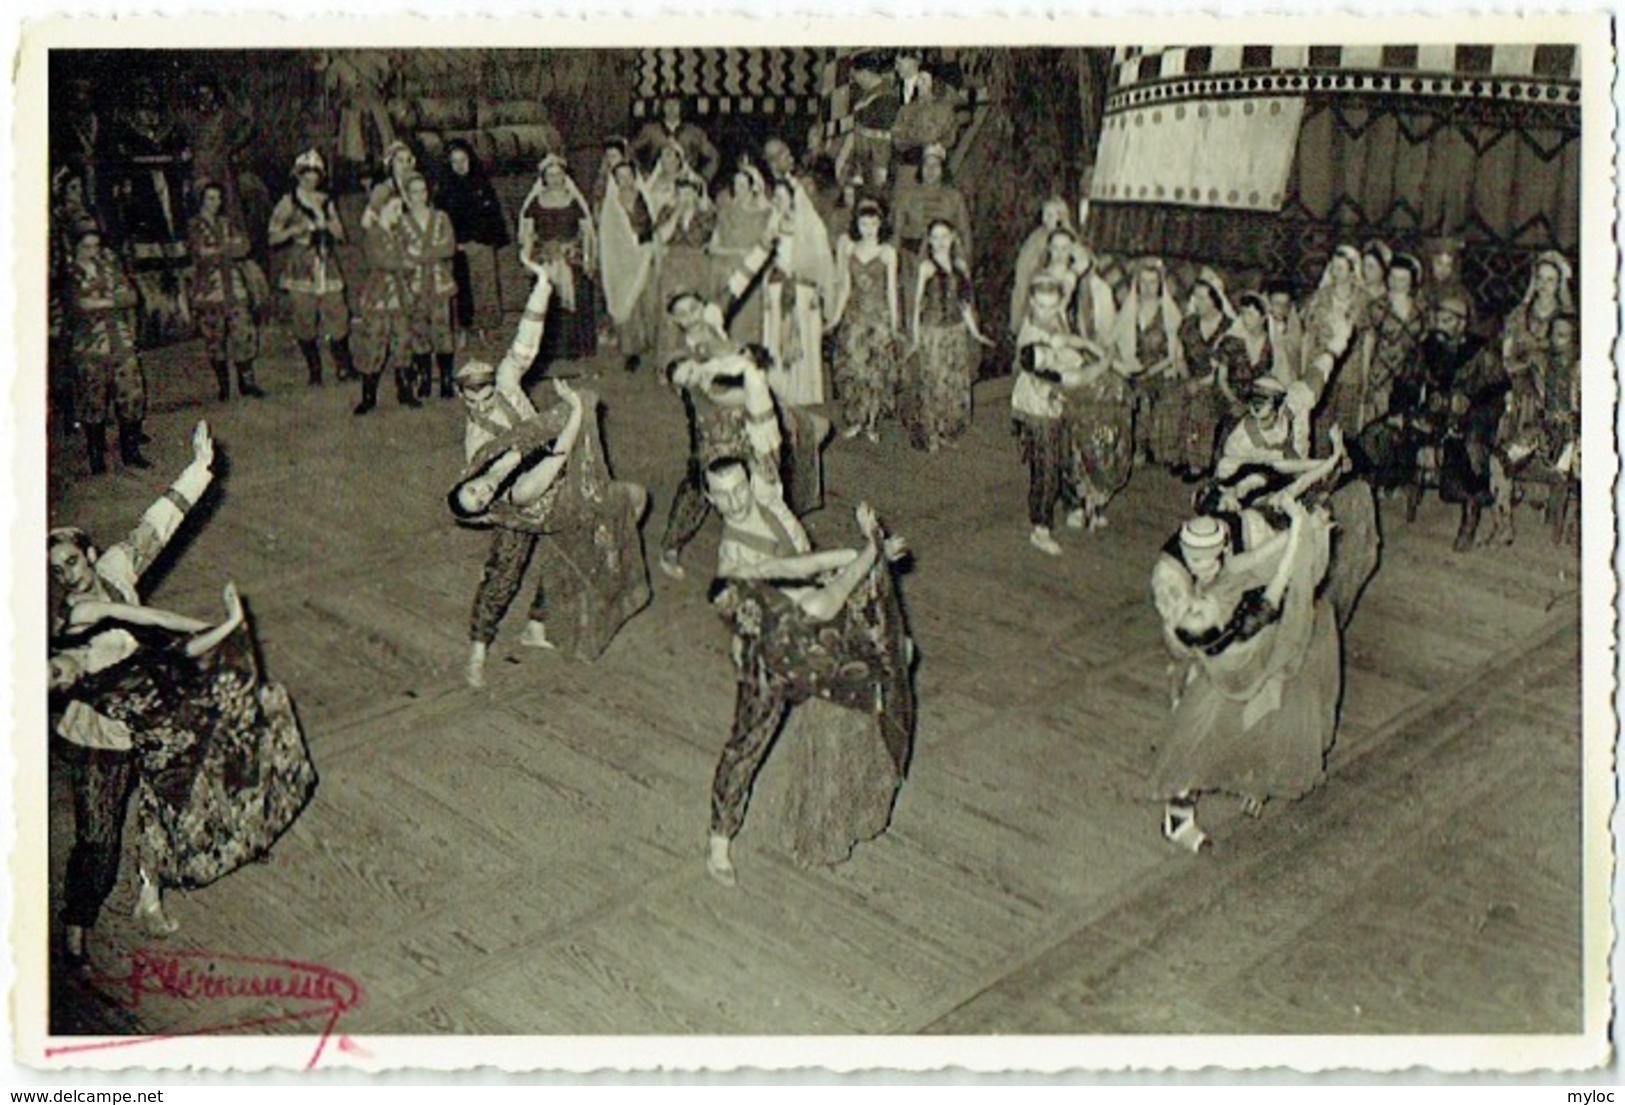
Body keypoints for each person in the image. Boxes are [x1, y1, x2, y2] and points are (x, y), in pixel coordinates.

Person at [51, 582, 316, 927]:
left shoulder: (84, 618)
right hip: (163, 736)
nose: (63, 673)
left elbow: (157, 621)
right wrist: (224, 629)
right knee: (167, 816)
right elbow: (180, 657)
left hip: (187, 708)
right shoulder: (95, 689)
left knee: (244, 756)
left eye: (53, 668)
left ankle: (239, 839)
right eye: (57, 683)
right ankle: (148, 902)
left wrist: (221, 626)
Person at [48, 421, 215, 961]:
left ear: (90, 555)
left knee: (166, 805)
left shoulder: (118, 566)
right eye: (55, 571)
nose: (66, 575)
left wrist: (197, 470)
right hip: (98, 734)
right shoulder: (64, 622)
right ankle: (78, 918)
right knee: (98, 838)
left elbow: (157, 525)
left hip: (149, 711)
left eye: (71, 562)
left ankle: (150, 894)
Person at [706, 499, 914, 884]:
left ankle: (719, 840)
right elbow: (842, 581)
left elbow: (808, 565)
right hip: (777, 667)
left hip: (801, 655)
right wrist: (872, 545)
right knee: (746, 744)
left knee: (745, 746)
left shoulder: (756, 579)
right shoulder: (815, 605)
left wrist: (869, 551)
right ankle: (719, 840)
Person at [1148, 493, 1341, 851]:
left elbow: (1247, 563)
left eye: (1207, 557)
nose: (1201, 568)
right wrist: (1299, 534)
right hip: (1235, 677)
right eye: (1192, 558)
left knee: (1259, 731)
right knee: (1195, 747)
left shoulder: (1220, 578)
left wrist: (1303, 528)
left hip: (1256, 665)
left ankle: (1254, 784)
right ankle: (1177, 820)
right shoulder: (1217, 635)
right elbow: (1274, 588)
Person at [455, 259, 560, 687]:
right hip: (516, 500)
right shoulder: (475, 436)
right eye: (471, 398)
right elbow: (486, 483)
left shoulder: (509, 383)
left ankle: (538, 623)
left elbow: (526, 341)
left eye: (485, 394)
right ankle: (477, 650)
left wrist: (544, 287)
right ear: (460, 394)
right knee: (503, 574)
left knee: (568, 551)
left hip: (552, 480)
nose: (481, 404)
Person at [1011, 278, 1102, 555]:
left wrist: (1090, 348)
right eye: (1041, 306)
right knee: (1046, 466)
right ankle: (1040, 527)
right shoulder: (1031, 336)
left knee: (1066, 454)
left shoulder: (1056, 319)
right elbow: (1065, 378)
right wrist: (1101, 364)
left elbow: (1066, 342)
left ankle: (1073, 505)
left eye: (1053, 306)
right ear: (1032, 303)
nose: (1047, 312)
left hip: (1058, 402)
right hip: (1038, 407)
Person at [267, 149, 357, 387]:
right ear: (298, 175)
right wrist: (295, 230)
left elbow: (341, 234)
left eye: (315, 174)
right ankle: (314, 370)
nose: (311, 178)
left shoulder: (326, 201)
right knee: (304, 317)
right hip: (301, 264)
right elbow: (272, 236)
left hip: (326, 262)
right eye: (306, 173)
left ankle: (344, 365)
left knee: (337, 312)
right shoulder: (288, 202)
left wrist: (327, 224)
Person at [902, 218, 992, 452]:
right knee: (934, 381)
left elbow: (965, 302)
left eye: (945, 236)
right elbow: (916, 304)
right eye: (935, 237)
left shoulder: (961, 266)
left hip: (955, 331)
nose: (941, 242)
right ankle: (930, 432)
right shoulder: (926, 267)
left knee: (953, 382)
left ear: (953, 238)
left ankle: (947, 429)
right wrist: (915, 337)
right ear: (929, 241)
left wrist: (975, 332)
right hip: (933, 332)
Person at [66, 225, 150, 474]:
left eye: (96, 246)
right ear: (76, 248)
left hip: (120, 342)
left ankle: (131, 451)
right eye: (87, 247)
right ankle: (96, 456)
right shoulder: (71, 274)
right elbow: (79, 304)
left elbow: (130, 296)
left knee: (131, 395)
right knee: (93, 400)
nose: (92, 252)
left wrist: (101, 302)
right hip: (90, 346)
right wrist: (110, 301)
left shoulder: (110, 269)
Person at [517, 154, 599, 373]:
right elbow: (528, 234)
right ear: (544, 178)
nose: (555, 179)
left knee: (576, 296)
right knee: (546, 299)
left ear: (565, 176)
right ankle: (548, 350)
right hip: (546, 258)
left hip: (571, 257)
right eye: (550, 175)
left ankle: (575, 349)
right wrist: (528, 258)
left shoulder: (574, 202)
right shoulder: (535, 203)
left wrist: (586, 257)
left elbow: (586, 232)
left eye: (558, 174)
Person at [829, 199, 901, 441]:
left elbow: (891, 290)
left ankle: (871, 423)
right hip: (856, 318)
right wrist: (835, 318)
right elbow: (845, 288)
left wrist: (895, 322)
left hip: (878, 318)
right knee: (855, 370)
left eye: (873, 223)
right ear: (856, 225)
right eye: (863, 223)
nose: (869, 228)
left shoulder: (887, 252)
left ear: (881, 224)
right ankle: (856, 419)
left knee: (875, 372)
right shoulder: (850, 250)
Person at [762, 177, 835, 407]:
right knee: (775, 332)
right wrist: (765, 284)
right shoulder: (773, 223)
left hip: (803, 287)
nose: (778, 202)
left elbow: (822, 260)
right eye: (776, 197)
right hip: (777, 283)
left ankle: (803, 391)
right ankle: (779, 386)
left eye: (783, 197)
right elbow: (766, 257)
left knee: (802, 335)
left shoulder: (811, 224)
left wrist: (817, 289)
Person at [189, 181, 264, 403]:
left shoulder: (226, 223)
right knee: (215, 339)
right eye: (211, 198)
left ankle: (247, 382)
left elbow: (244, 245)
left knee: (243, 334)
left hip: (234, 287)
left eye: (218, 198)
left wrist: (222, 250)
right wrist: (227, 249)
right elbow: (200, 252)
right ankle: (224, 386)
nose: (216, 203)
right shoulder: (195, 225)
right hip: (210, 291)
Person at [351, 183, 421, 415]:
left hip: (399, 296)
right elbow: (380, 260)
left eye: (401, 210)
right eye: (394, 210)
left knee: (403, 340)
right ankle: (368, 395)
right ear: (380, 211)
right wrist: (404, 263)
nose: (398, 215)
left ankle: (405, 389)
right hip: (379, 296)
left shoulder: (400, 234)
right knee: (374, 342)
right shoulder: (373, 235)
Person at [1111, 256, 1184, 468]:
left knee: (1143, 395)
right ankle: (1124, 446)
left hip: (1161, 370)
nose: (1147, 287)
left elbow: (1174, 355)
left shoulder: (1169, 312)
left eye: (1152, 282)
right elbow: (1113, 340)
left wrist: (1149, 372)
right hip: (1134, 367)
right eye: (1143, 282)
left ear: (1160, 284)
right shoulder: (1131, 308)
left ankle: (1143, 448)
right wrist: (1125, 362)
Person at [438, 139, 511, 345]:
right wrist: (451, 243)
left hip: (481, 245)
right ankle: (463, 328)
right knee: (460, 289)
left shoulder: (482, 185)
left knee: (485, 287)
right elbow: (442, 219)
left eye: (463, 160)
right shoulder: (445, 190)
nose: (460, 165)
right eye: (455, 161)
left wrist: (490, 239)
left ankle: (486, 327)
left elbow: (493, 215)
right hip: (457, 247)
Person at [1500, 250, 1575, 448]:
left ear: (1559, 283)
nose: (1544, 285)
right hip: (1519, 384)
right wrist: (1520, 368)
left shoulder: (1566, 317)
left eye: (1550, 279)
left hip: (1553, 387)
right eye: (1540, 278)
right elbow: (1507, 354)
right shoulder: (1519, 315)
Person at [1301, 245, 1372, 454]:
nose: (1335, 273)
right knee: (1321, 419)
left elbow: (1368, 340)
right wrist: (1306, 371)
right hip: (1323, 367)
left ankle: (1340, 468)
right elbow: (1309, 336)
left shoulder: (1363, 300)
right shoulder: (1320, 297)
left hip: (1351, 370)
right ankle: (1320, 471)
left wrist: (1364, 376)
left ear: (1352, 271)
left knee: (1345, 423)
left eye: (1341, 268)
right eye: (1333, 268)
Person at [650, 167, 716, 375]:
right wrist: (677, 213)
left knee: (696, 315)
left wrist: (691, 213)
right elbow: (662, 236)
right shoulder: (667, 212)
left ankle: (700, 363)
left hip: (697, 265)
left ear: (698, 193)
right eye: (681, 192)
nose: (685, 197)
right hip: (673, 264)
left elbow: (699, 239)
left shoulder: (706, 214)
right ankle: (668, 365)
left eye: (690, 192)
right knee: (669, 315)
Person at [399, 172, 459, 399]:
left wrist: (421, 255)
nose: (419, 196)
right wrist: (419, 258)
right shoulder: (402, 222)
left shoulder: (441, 218)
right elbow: (401, 253)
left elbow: (449, 247)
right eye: (414, 192)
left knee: (442, 328)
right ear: (407, 195)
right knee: (419, 329)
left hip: (439, 282)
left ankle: (446, 379)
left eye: (422, 191)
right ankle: (424, 378)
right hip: (415, 283)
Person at [598, 158, 658, 372]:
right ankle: (631, 351)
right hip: (623, 260)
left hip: (646, 256)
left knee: (649, 302)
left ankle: (654, 347)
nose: (625, 181)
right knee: (627, 304)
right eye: (619, 177)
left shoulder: (645, 197)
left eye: (628, 175)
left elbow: (655, 226)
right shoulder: (611, 205)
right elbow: (609, 237)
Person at [1173, 269, 1233, 478]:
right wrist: (1187, 378)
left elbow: (1223, 368)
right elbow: (1179, 357)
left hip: (1219, 382)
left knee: (1202, 403)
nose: (1194, 301)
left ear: (1214, 300)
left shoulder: (1229, 328)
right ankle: (1181, 457)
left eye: (1200, 297)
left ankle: (1198, 464)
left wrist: (1200, 383)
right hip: (1191, 376)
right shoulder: (1188, 324)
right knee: (1174, 397)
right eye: (1194, 296)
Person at [1359, 252, 1427, 435]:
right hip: (1381, 377)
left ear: (1412, 281)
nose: (1397, 283)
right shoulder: (1377, 307)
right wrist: (1364, 379)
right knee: (1377, 429)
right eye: (1393, 278)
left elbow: (1424, 344)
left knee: (1406, 431)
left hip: (1409, 377)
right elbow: (1367, 344)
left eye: (1403, 279)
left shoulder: (1421, 308)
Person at [835, 53, 902, 201]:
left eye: (856, 75)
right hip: (865, 163)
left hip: (877, 167)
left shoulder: (886, 99)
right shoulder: (868, 96)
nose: (855, 80)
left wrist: (880, 174)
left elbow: (883, 140)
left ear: (864, 72)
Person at [1008, 198, 1075, 338]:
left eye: (1051, 215)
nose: (1046, 219)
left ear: (1061, 216)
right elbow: (1025, 269)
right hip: (1032, 289)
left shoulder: (1067, 237)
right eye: (1045, 215)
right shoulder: (1037, 237)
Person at [890, 70, 960, 188]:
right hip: (908, 165)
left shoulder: (943, 109)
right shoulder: (906, 109)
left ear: (934, 83)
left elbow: (932, 135)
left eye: (923, 80)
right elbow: (896, 138)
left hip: (934, 165)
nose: (919, 84)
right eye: (918, 80)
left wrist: (910, 135)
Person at [632, 96, 722, 184]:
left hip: (687, 183)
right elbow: (630, 150)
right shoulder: (651, 131)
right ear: (662, 107)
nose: (671, 108)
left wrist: (704, 178)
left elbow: (714, 156)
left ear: (682, 107)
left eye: (675, 104)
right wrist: (642, 173)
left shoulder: (693, 132)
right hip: (657, 184)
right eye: (668, 105)